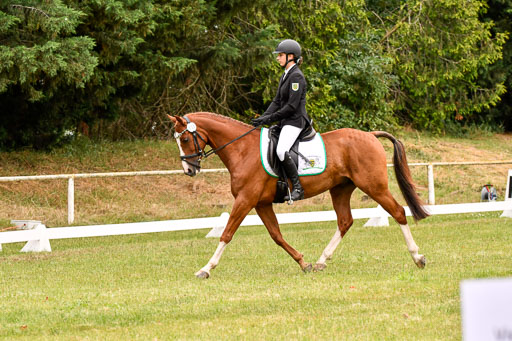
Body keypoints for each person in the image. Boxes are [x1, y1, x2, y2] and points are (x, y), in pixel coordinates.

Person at [252, 39, 311, 201]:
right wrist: (263, 118)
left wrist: (271, 118)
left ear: (291, 57)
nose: (278, 58)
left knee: (281, 150)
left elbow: (291, 107)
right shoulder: (286, 75)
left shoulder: (297, 77)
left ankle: (298, 187)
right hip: (286, 121)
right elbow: (277, 102)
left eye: (281, 55)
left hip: (295, 121)